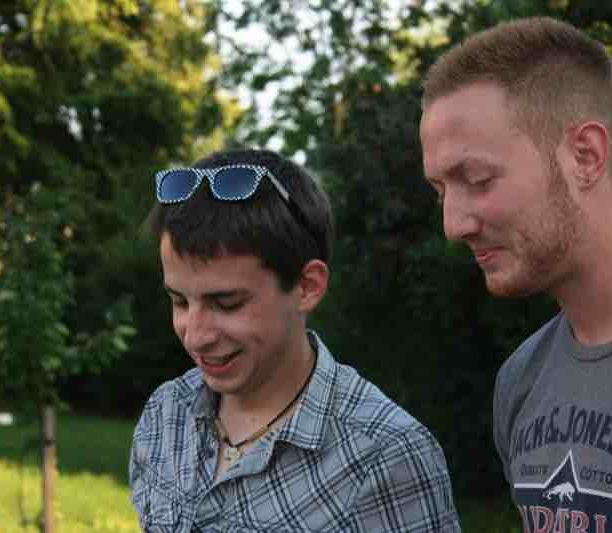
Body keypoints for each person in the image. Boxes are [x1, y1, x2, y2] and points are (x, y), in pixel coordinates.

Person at [419, 16, 612, 531]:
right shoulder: (522, 378)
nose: (453, 225)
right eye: (440, 191)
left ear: (585, 156)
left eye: (477, 179)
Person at [129, 148, 460, 532]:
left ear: (307, 286)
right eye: (180, 301)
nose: (196, 335)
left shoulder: (385, 456)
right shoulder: (165, 413)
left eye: (227, 303)